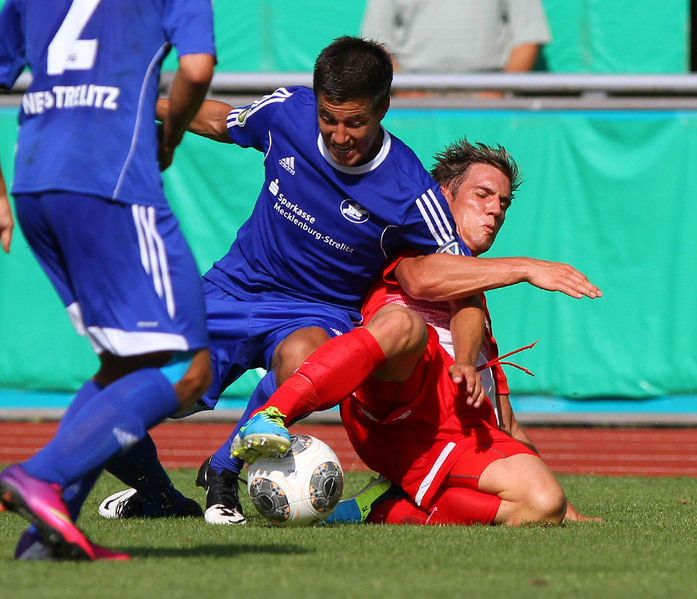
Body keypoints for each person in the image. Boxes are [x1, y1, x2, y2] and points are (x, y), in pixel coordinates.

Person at [99, 36, 489, 526]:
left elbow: (464, 286)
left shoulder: (410, 190)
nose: (340, 135)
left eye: (355, 122)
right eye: (330, 119)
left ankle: (224, 470)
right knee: (113, 410)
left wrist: (469, 361)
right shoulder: (288, 112)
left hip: (317, 313)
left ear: (383, 108)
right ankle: (161, 498)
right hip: (231, 288)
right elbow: (223, 120)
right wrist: (147, 105)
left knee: (302, 356)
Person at [0, 0, 215, 560]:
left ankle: (45, 540)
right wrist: (169, 136)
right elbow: (196, 68)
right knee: (188, 368)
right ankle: (41, 474)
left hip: (34, 185)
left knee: (121, 364)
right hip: (111, 182)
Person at [233, 138, 602, 526]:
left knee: (540, 503)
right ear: (445, 196)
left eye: (504, 203)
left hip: (448, 430)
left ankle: (379, 507)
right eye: (483, 195)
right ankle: (273, 414)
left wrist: (566, 512)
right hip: (395, 399)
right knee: (404, 323)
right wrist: (527, 267)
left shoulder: (476, 303)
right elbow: (423, 280)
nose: (495, 209)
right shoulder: (414, 247)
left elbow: (504, 424)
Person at [361, 0, 551, 96]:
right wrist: (407, 93)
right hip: (413, 101)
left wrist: (498, 93)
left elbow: (528, 38)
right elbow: (375, 42)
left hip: (489, 98)